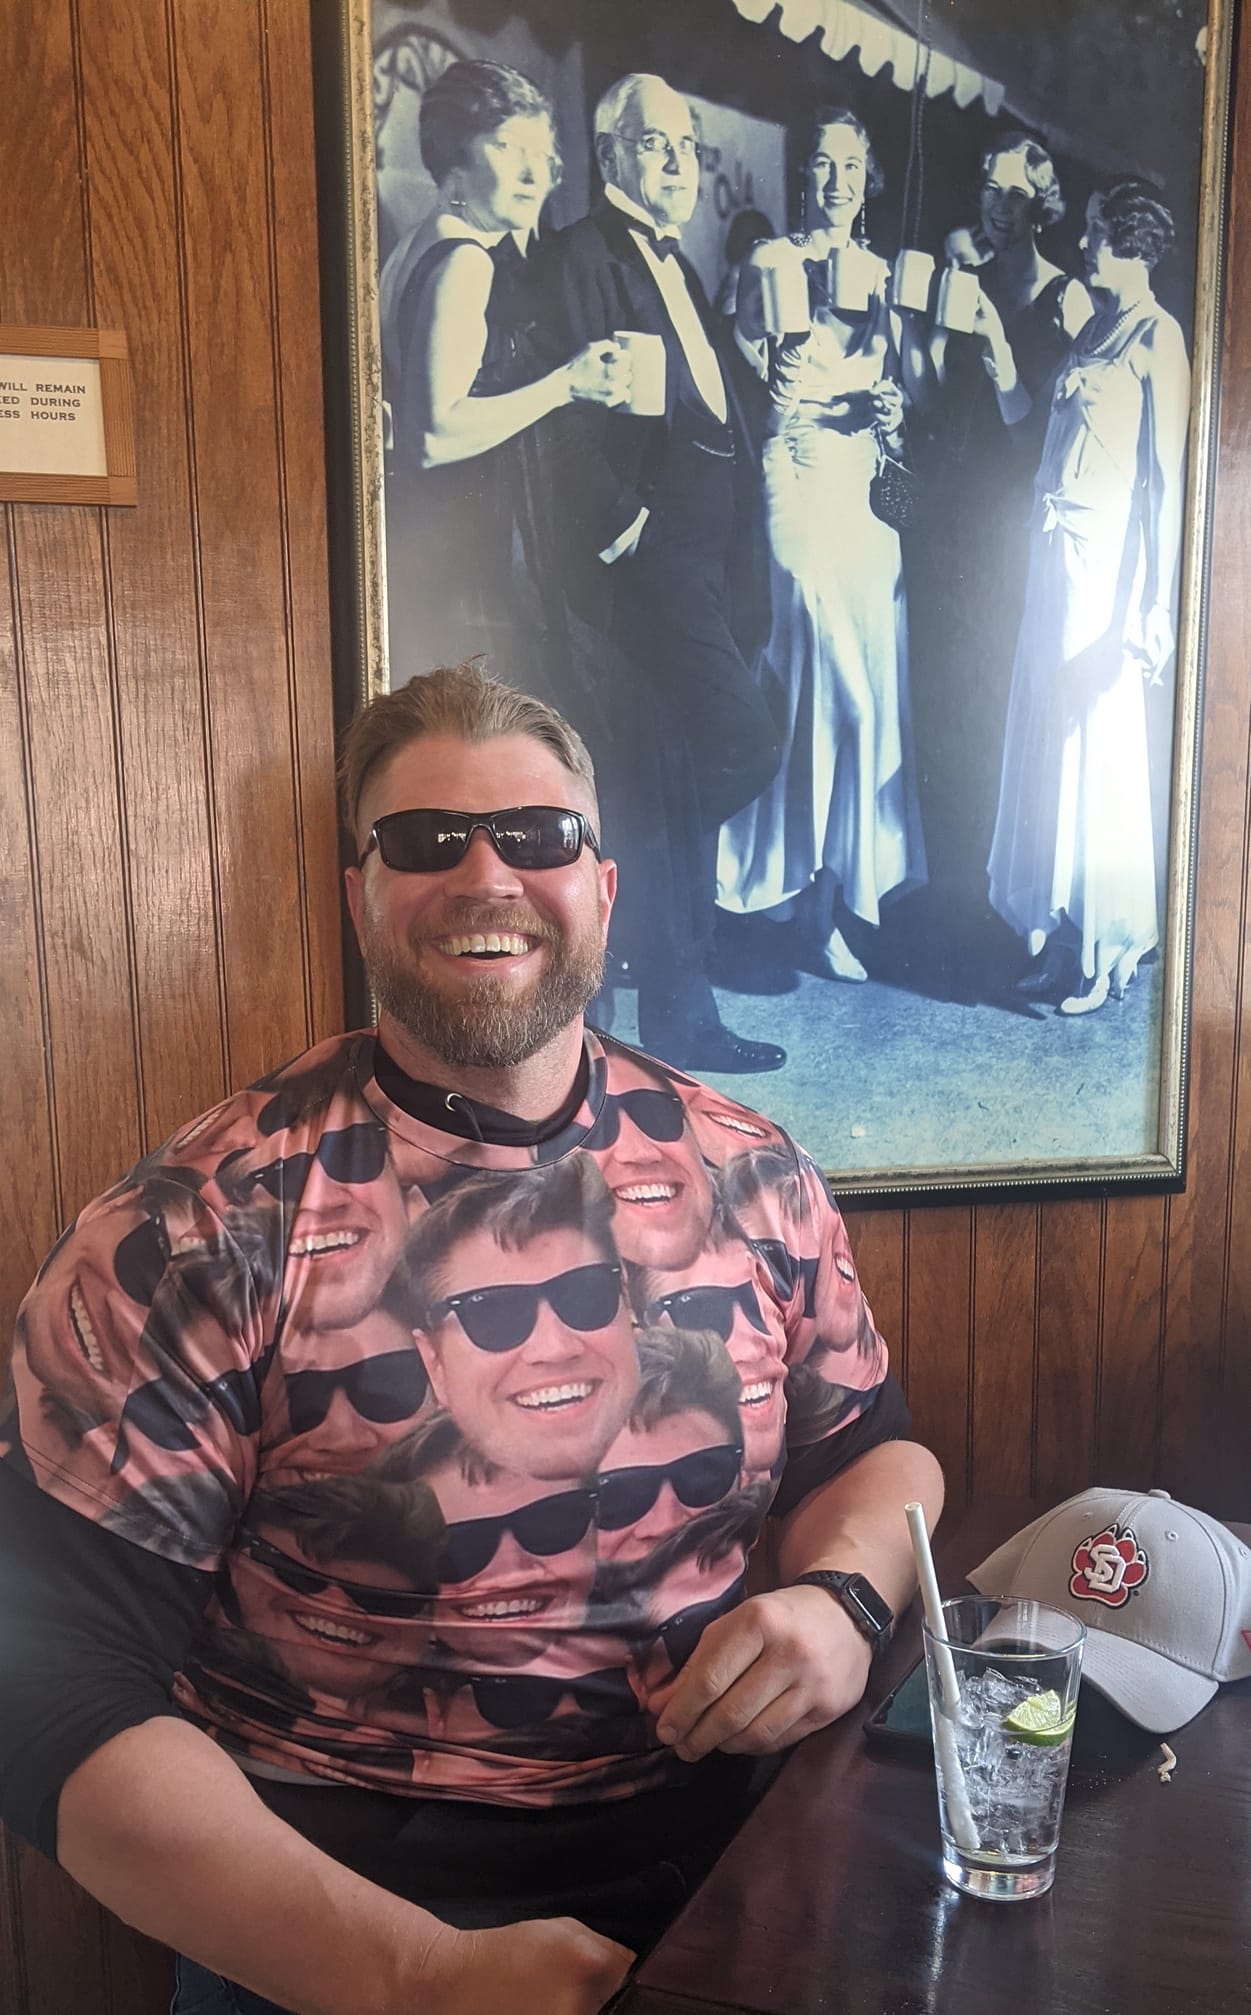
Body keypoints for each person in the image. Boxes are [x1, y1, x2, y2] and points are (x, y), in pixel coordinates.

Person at [0, 662, 944, 2015]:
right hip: (340, 1929)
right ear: (360, 896)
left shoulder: (749, 1170)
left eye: (537, 835)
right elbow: (43, 1689)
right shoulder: (198, 1225)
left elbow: (875, 1455)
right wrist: (414, 1974)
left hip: (734, 1877)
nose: (486, 873)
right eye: (427, 839)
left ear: (601, 887)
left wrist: (845, 1600)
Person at [540, 72, 785, 1072]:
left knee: (681, 767)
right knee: (742, 738)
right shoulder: (581, 255)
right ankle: (666, 968)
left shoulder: (681, 263)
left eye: (688, 145)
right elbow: (562, 417)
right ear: (611, 154)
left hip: (715, 554)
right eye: (657, 143)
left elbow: (720, 407)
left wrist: (763, 370)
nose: (680, 161)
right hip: (652, 557)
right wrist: (624, 527)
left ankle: (678, 1000)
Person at [717, 107, 926, 984]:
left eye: (851, 165)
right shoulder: (771, 261)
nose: (837, 180)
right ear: (804, 174)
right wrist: (770, 368)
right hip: (794, 475)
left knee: (863, 695)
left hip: (862, 497)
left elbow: (906, 397)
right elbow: (731, 373)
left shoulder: (886, 276)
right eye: (822, 163)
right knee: (827, 693)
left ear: (867, 178)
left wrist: (892, 409)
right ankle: (754, 883)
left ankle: (826, 907)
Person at [984, 181, 1191, 1013]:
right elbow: (1042, 428)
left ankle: (1108, 951)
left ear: (1135, 244)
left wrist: (1156, 603)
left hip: (1106, 571)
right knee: (1049, 746)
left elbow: (1165, 486)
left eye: (1100, 232)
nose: (1085, 243)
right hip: (1053, 560)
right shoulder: (1094, 328)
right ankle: (1063, 936)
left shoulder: (1158, 336)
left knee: (1095, 751)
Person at [904, 134, 1092, 986]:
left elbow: (1041, 432)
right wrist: (916, 337)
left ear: (1041, 206)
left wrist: (994, 345)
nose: (995, 204)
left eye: (1013, 193)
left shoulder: (1063, 296)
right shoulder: (964, 279)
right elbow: (934, 400)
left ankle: (1007, 913)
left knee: (998, 707)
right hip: (950, 517)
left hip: (1011, 523)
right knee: (947, 703)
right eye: (987, 186)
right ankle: (955, 898)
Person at [380, 59, 629, 682]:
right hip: (466, 569)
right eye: (507, 146)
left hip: (434, 554)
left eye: (541, 154)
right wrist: (565, 384)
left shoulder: (415, 245)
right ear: (456, 154)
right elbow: (432, 437)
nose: (532, 174)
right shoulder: (466, 262)